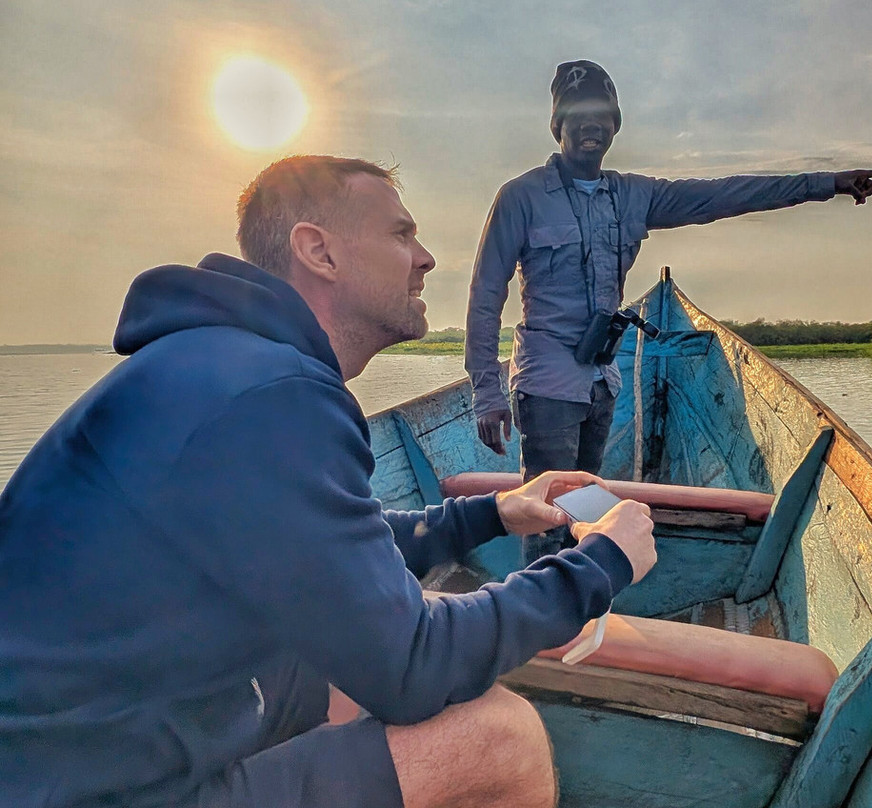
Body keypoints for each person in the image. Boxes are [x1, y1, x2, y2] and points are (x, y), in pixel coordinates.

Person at [0, 156, 657, 808]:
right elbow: (412, 669)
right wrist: (603, 563)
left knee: (330, 667)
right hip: (87, 786)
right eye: (401, 235)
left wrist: (494, 513)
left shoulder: (226, 368)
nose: (425, 258)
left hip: (113, 727)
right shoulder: (273, 393)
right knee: (500, 738)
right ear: (318, 251)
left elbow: (330, 548)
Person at [465, 60, 872, 561]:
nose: (591, 126)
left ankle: (575, 605)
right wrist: (486, 392)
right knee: (547, 514)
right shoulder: (521, 197)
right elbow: (485, 295)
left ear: (615, 126)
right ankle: (539, 622)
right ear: (558, 123)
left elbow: (725, 195)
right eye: (578, 115)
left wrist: (829, 183)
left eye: (603, 116)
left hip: (602, 378)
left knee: (584, 507)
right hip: (546, 382)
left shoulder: (633, 196)